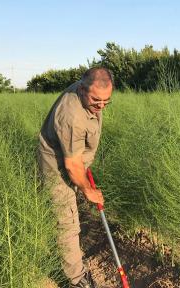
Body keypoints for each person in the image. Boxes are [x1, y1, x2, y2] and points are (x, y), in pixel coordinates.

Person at [37, 67, 114, 288]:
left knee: (68, 211)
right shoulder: (71, 117)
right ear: (81, 90)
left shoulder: (87, 91)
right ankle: (76, 279)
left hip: (74, 158)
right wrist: (89, 190)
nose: (101, 106)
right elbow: (71, 164)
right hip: (58, 165)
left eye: (106, 101)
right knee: (67, 222)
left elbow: (78, 157)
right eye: (96, 100)